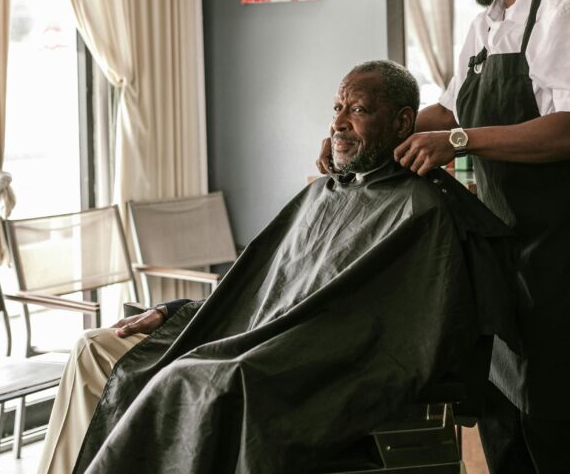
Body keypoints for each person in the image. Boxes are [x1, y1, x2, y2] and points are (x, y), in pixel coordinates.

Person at [39, 60, 521, 474]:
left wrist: (247, 349)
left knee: (182, 381)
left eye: (357, 110)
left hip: (288, 356)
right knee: (93, 350)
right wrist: (177, 312)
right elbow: (265, 287)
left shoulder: (419, 210)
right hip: (248, 330)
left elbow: (375, 332)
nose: (338, 124)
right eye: (337, 109)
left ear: (401, 123)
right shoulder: (324, 193)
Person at [318, 0, 570, 474]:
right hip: (499, 256)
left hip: (557, 257)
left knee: (555, 430)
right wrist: (355, 135)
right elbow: (447, 112)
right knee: (501, 423)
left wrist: (460, 142)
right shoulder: (486, 28)